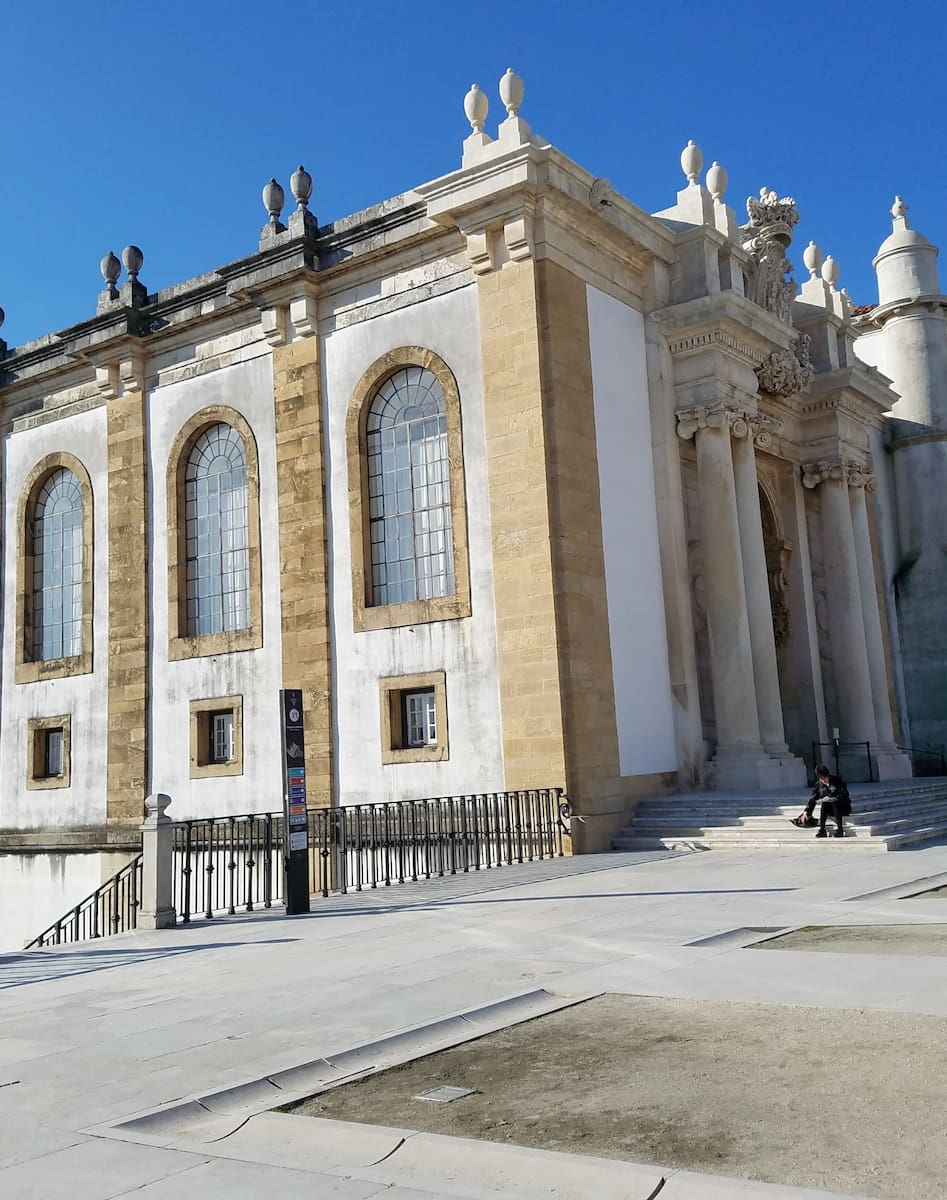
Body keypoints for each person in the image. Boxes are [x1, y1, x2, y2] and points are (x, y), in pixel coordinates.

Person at [790, 765, 851, 838]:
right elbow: (813, 799)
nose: (824, 780)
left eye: (825, 778)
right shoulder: (819, 785)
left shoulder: (837, 781)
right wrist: (806, 811)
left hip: (842, 807)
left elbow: (845, 794)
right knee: (825, 803)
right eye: (821, 779)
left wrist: (836, 798)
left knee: (834, 802)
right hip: (830, 809)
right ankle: (822, 830)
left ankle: (840, 829)